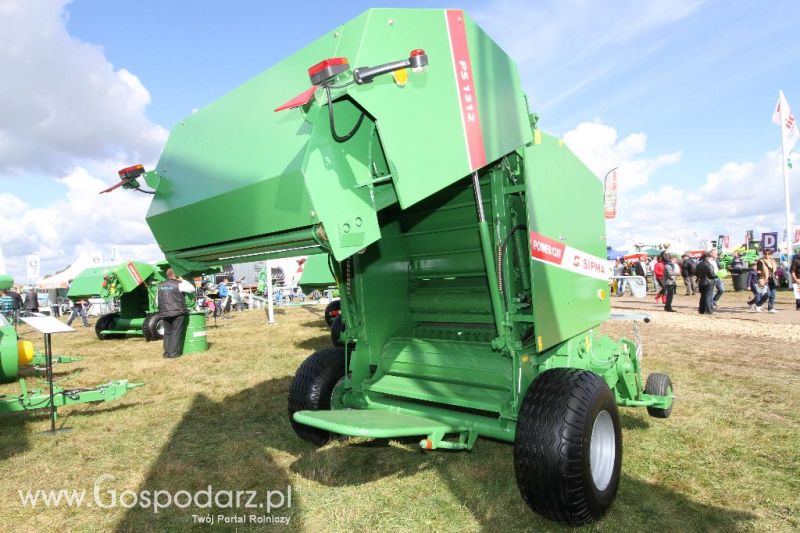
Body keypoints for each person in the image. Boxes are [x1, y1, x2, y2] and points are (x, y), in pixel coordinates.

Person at [157, 268, 197, 358]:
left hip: (164, 312)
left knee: (167, 333)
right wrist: (183, 280)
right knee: (176, 332)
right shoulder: (179, 284)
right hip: (177, 312)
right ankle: (174, 354)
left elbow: (157, 300)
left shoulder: (160, 286)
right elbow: (192, 289)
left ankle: (166, 353)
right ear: (176, 275)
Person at [756, 249, 778, 313]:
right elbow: (759, 271)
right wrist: (760, 279)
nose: (767, 255)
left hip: (772, 279)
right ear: (763, 254)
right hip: (764, 279)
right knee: (767, 294)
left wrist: (776, 275)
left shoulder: (773, 260)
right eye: (765, 254)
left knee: (773, 295)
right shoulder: (760, 261)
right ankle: (758, 304)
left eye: (769, 254)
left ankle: (770, 308)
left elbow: (775, 270)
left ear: (771, 254)